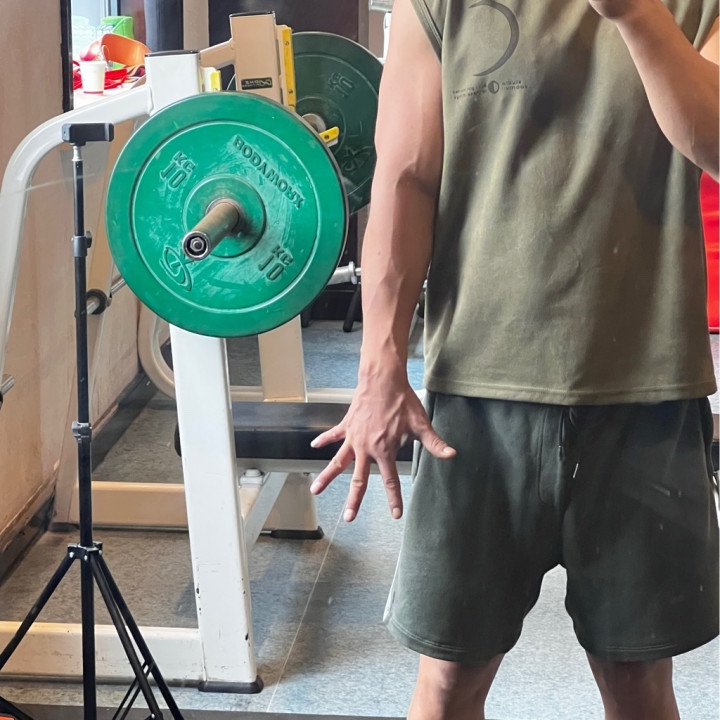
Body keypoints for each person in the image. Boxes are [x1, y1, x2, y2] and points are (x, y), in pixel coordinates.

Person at [310, 0, 720, 717]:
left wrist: (635, 15)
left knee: (637, 681)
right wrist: (379, 369)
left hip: (645, 391)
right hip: (474, 395)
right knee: (448, 678)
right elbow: (405, 178)